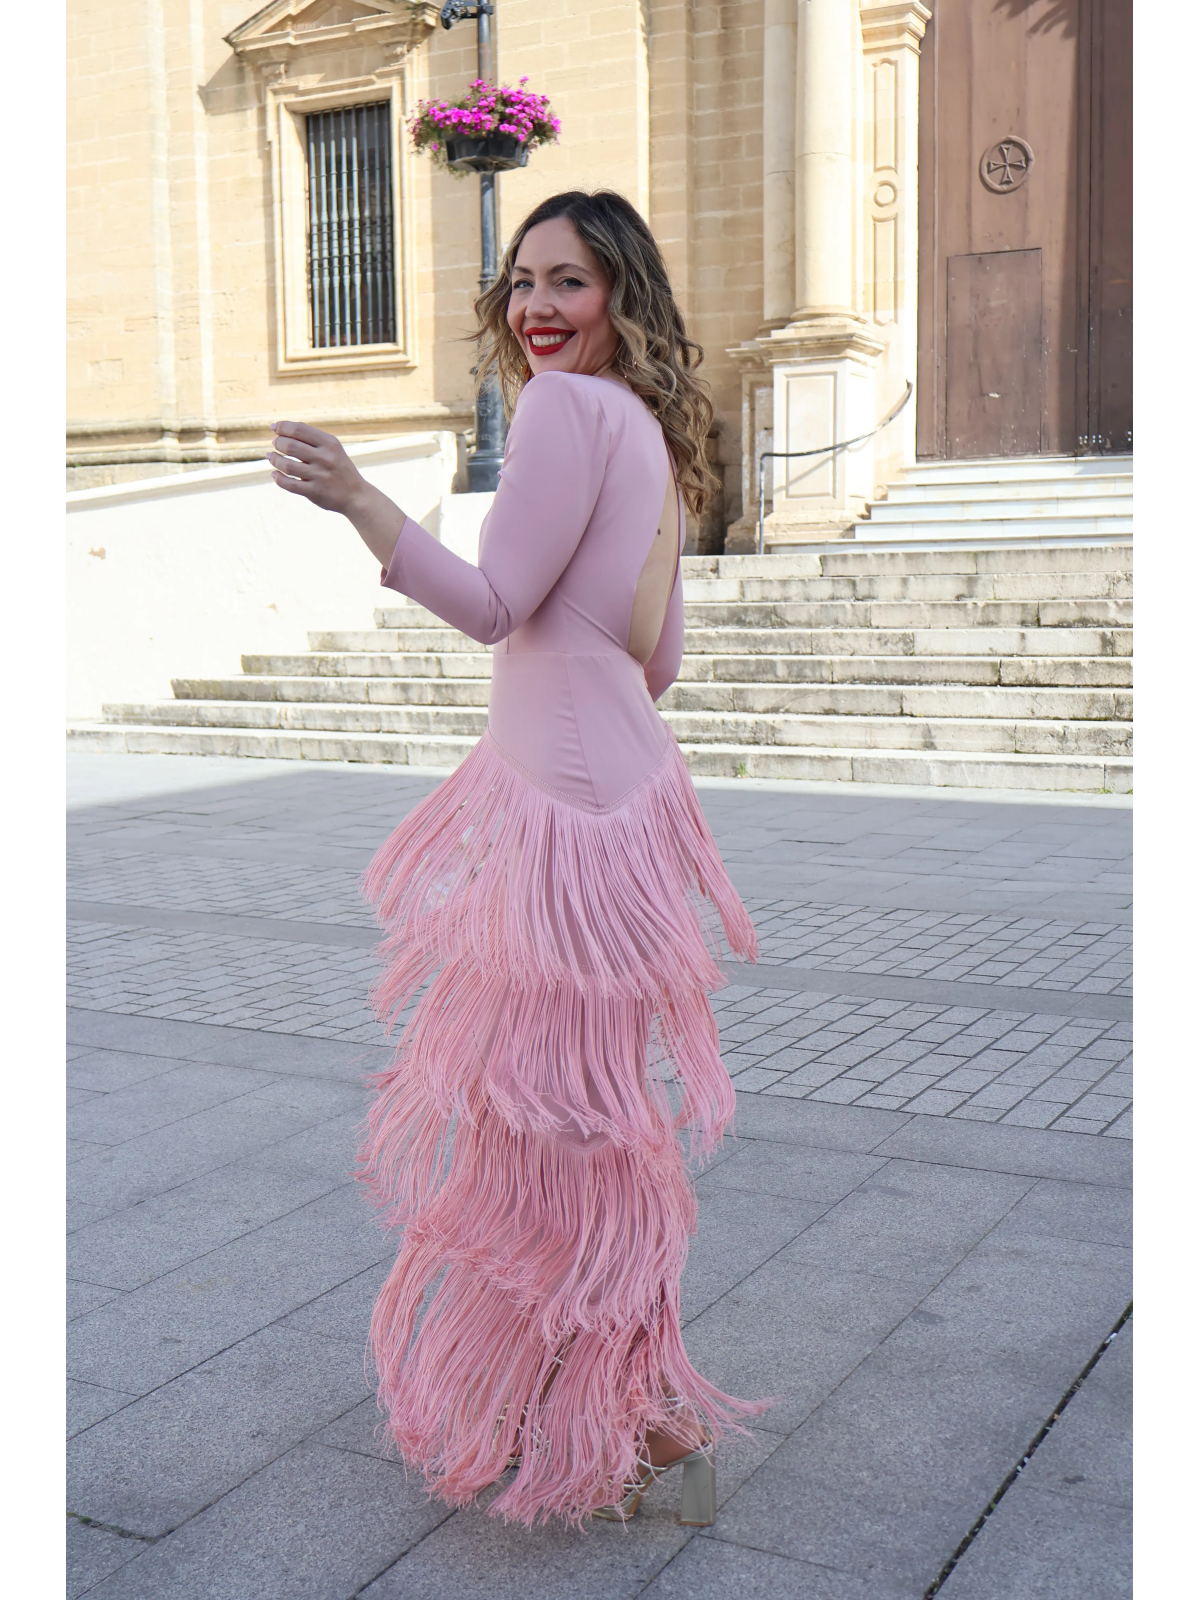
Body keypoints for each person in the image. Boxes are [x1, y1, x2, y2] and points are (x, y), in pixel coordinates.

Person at [268, 189, 766, 1529]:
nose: (538, 307)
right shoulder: (655, 433)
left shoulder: (559, 414)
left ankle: (626, 1427)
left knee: (549, 1140)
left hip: (562, 821)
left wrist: (361, 500)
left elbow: (494, 607)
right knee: (596, 1136)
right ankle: (626, 1414)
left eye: (572, 283)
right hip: (628, 800)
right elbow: (656, 660)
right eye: (522, 280)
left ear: (623, 299)